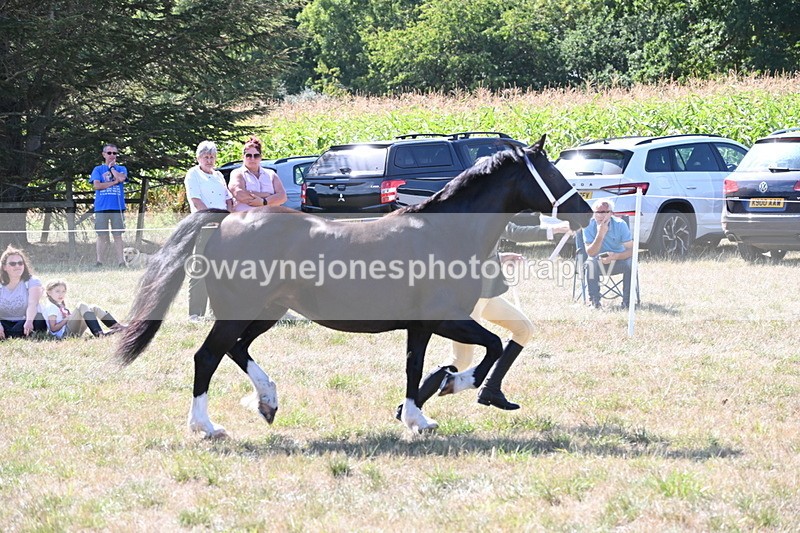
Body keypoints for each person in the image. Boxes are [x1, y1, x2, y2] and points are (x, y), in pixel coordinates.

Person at [398, 250, 535, 419]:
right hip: (471, 295)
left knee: (524, 329)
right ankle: (410, 406)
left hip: (487, 293)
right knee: (460, 359)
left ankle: (491, 388)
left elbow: (509, 231)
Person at [183, 140, 233, 322]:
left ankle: (217, 310)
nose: (209, 160)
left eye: (212, 157)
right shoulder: (193, 175)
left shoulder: (219, 175)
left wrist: (229, 216)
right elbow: (196, 201)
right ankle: (195, 313)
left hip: (223, 225)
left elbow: (228, 198)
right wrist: (213, 217)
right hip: (204, 225)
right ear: (199, 158)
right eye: (206, 157)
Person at [582, 198, 633, 309]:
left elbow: (631, 250)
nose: (601, 215)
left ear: (611, 214)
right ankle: (594, 302)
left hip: (618, 261)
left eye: (605, 212)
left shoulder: (620, 225)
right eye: (598, 212)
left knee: (631, 264)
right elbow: (590, 252)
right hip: (597, 263)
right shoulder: (587, 225)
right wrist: (600, 234)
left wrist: (615, 256)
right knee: (590, 263)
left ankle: (627, 303)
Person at [42, 280, 124, 338]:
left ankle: (117, 327)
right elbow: (53, 328)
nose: (61, 294)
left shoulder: (58, 304)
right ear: (49, 292)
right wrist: (67, 319)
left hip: (70, 331)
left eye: (63, 291)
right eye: (57, 291)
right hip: (64, 335)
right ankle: (98, 333)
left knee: (93, 308)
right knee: (81, 305)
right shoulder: (51, 307)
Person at [90, 143, 127, 267]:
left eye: (114, 153)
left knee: (117, 235)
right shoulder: (98, 169)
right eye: (109, 153)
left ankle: (121, 262)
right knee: (102, 235)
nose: (112, 155)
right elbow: (97, 186)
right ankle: (99, 261)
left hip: (117, 207)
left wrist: (112, 169)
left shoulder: (121, 168)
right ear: (104, 154)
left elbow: (121, 179)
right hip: (102, 207)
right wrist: (113, 182)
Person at [229, 136, 287, 212]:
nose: (252, 159)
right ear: (243, 157)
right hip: (245, 219)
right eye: (248, 155)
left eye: (256, 156)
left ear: (260, 157)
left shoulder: (271, 174)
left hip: (268, 219)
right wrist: (267, 195)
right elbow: (239, 193)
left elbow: (282, 197)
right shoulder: (237, 173)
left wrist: (263, 202)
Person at [0, 246, 47, 339]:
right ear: (4, 267)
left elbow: (33, 304)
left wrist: (29, 322)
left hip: (25, 320)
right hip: (3, 322)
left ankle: (9, 335)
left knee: (38, 321)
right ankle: (15, 334)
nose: (17, 266)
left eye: (20, 263)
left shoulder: (32, 281)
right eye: (12, 264)